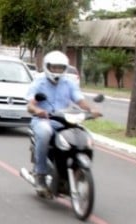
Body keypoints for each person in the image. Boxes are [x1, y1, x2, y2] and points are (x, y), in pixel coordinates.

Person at [26, 50, 101, 196]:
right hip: (44, 120)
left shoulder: (69, 83)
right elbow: (30, 105)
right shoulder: (39, 82)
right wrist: (37, 110)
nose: (57, 71)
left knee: (83, 136)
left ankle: (73, 170)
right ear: (47, 67)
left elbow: (80, 100)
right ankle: (40, 175)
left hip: (63, 120)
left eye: (60, 68)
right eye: (54, 67)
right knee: (45, 132)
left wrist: (92, 109)